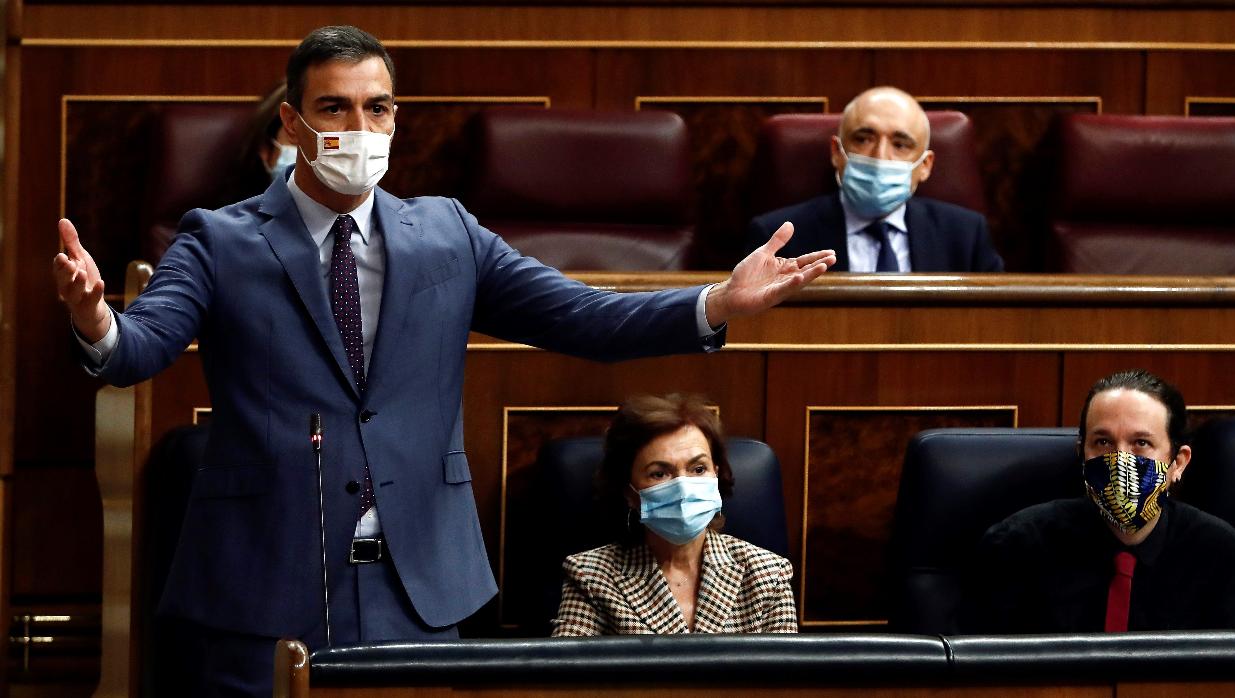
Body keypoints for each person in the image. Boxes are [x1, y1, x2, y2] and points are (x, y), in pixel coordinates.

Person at [52, 26, 832, 693]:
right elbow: (139, 347)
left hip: (415, 581)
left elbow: (583, 316)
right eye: (334, 107)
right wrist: (96, 318)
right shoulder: (219, 238)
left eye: (377, 107)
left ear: (397, 119)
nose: (359, 126)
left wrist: (716, 305)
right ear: (292, 122)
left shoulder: (447, 232)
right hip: (264, 581)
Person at [962, 369, 1235, 633]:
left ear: (1178, 462)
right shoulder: (1016, 545)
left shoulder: (1218, 552)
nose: (1120, 461)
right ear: (1082, 454)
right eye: (1103, 442)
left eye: (1141, 443)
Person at [551, 394, 797, 635]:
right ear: (630, 493)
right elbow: (568, 673)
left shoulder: (768, 575)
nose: (683, 487)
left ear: (716, 475)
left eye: (698, 469)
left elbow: (785, 675)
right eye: (659, 473)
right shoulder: (591, 577)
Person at [745, 86, 1003, 273]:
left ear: (925, 166)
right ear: (836, 152)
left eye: (901, 144)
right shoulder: (777, 237)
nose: (880, 157)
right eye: (864, 139)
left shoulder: (966, 235)